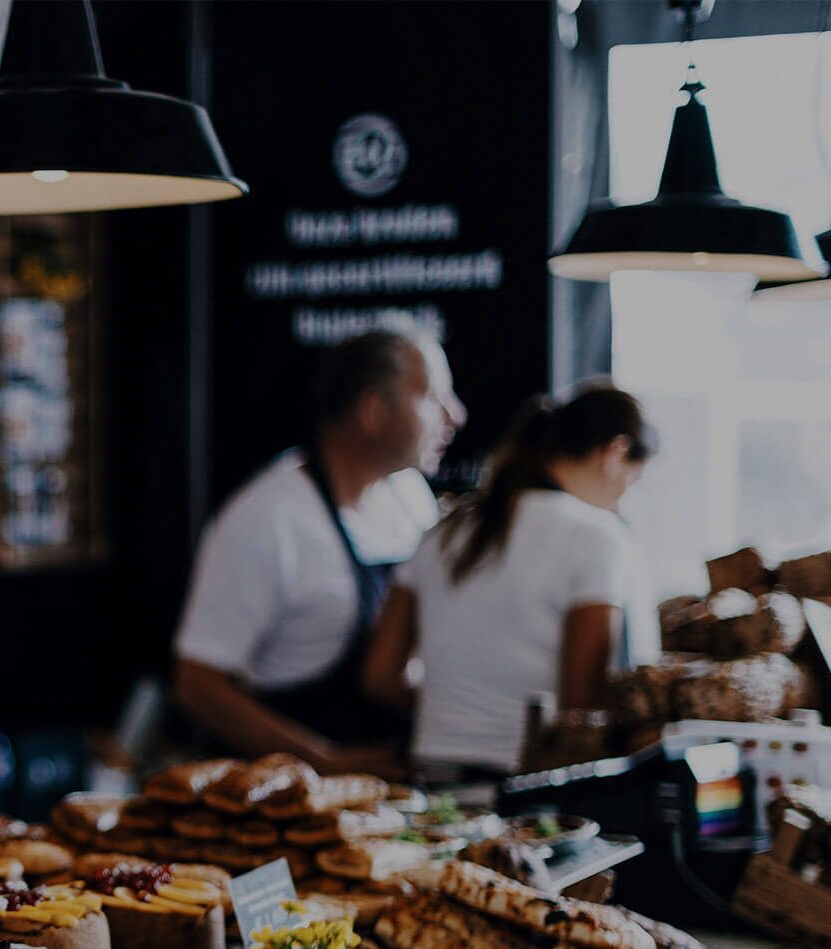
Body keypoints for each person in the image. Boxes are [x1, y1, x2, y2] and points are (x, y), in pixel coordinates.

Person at [173, 328, 466, 775]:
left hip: (397, 789)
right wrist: (323, 762)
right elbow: (197, 685)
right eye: (432, 396)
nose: (455, 415)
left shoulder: (410, 496)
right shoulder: (266, 519)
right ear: (373, 410)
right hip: (288, 801)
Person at [361, 384, 660, 779]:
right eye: (632, 482)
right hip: (529, 788)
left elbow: (380, 678)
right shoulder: (598, 538)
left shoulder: (443, 532)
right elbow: (580, 709)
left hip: (433, 780)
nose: (623, 499)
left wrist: (458, 709)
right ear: (615, 453)